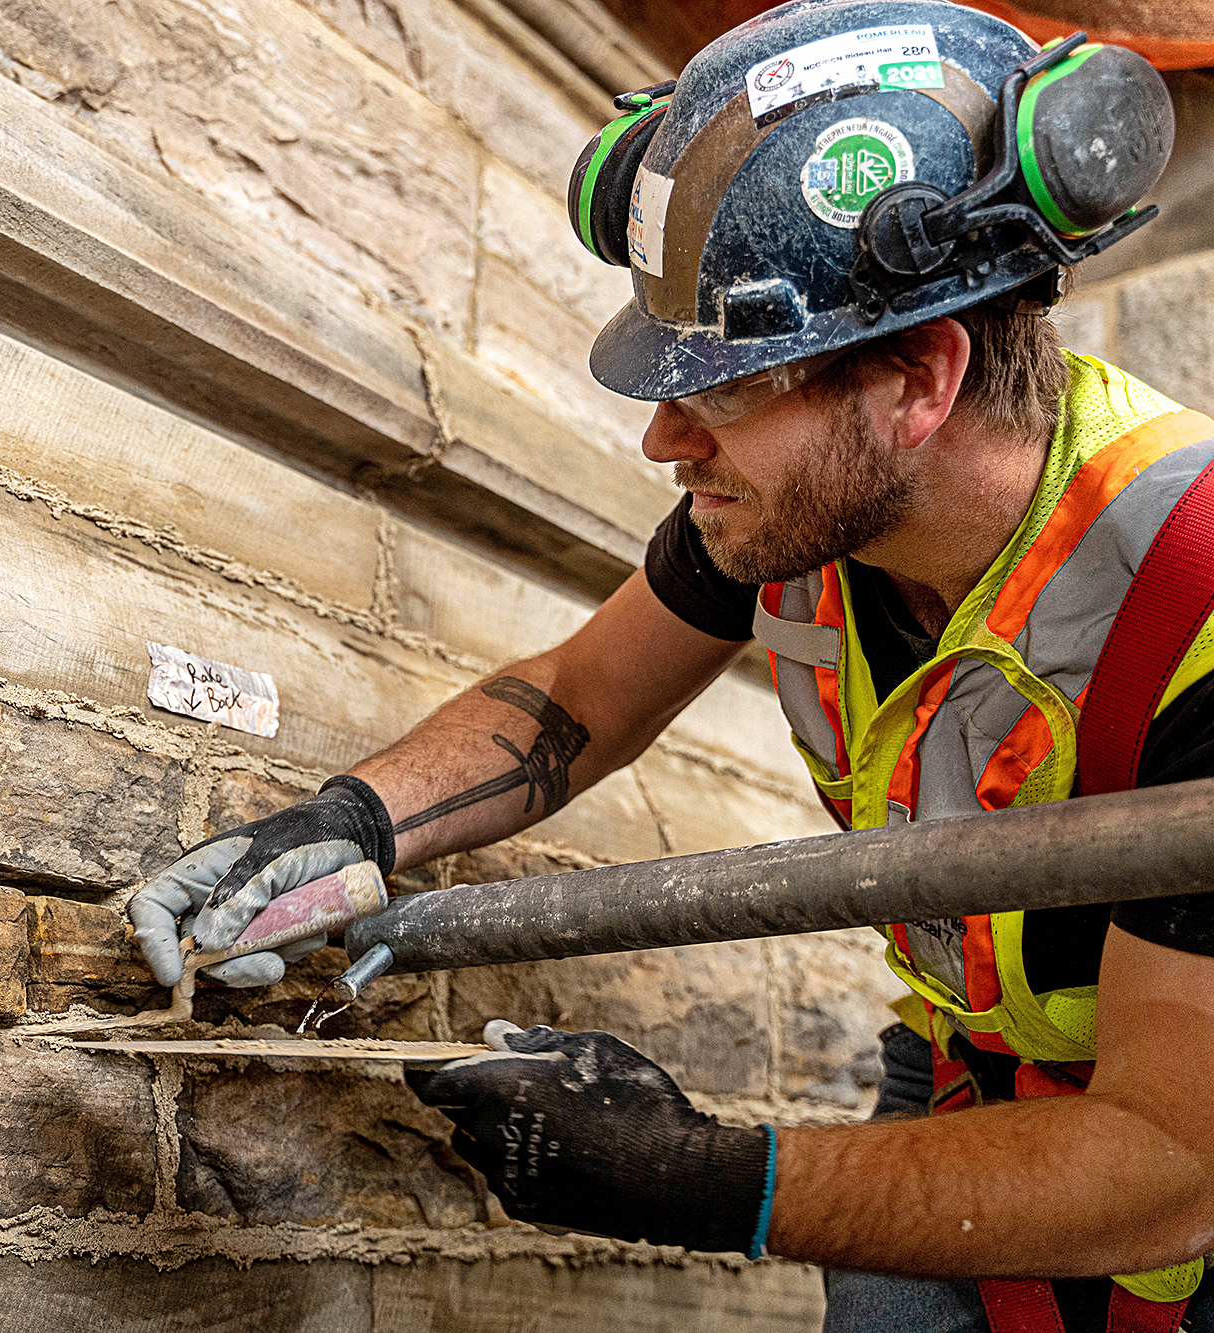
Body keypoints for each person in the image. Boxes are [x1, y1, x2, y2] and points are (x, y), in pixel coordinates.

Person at [124, 2, 1214, 1329]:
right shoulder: (803, 514)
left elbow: (1167, 1162)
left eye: (728, 385)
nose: (659, 439)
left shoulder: (1195, 598)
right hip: (973, 1067)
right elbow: (578, 703)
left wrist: (699, 1176)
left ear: (917, 378)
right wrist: (343, 821)